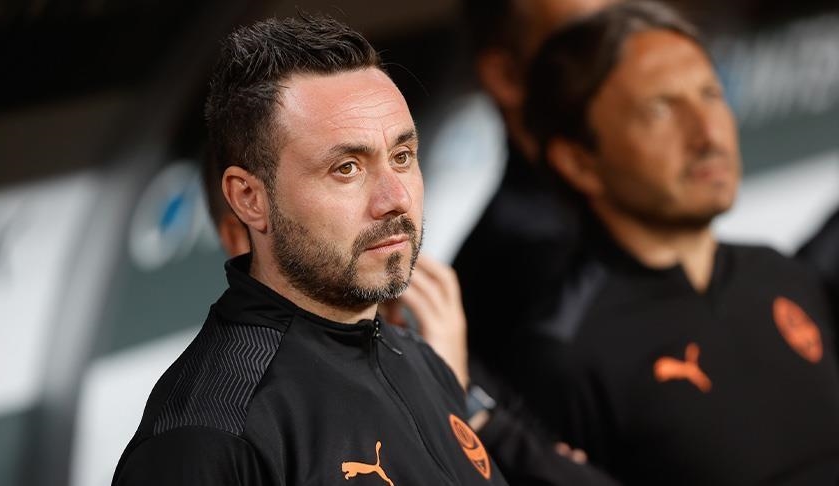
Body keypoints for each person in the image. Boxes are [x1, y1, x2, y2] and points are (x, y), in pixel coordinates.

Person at [114, 13, 618, 486]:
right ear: (249, 198)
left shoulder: (420, 358)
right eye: (347, 168)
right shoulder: (210, 433)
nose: (395, 198)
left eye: (402, 156)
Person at [496, 2, 839, 484]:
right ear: (579, 162)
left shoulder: (782, 275)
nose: (708, 134)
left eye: (711, 94)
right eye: (660, 108)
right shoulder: (563, 356)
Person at [453, 0, 617, 375]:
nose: (633, 57)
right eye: (591, 39)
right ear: (506, 76)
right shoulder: (526, 260)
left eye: (633, 27)